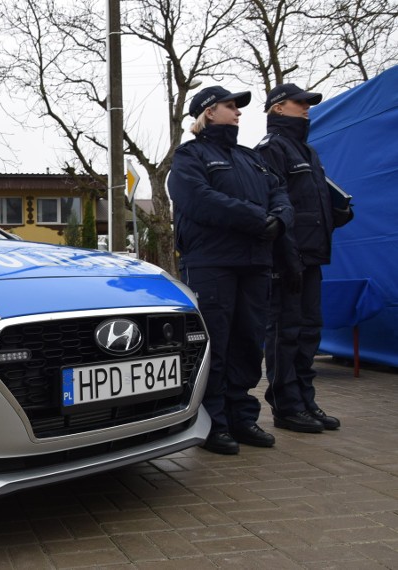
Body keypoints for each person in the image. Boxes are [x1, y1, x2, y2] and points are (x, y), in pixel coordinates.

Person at [168, 86, 293, 455]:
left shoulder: (251, 158)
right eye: (229, 106)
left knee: (247, 343)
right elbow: (199, 199)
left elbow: (280, 193)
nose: (237, 111)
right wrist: (258, 219)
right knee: (216, 346)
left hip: (255, 263)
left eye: (237, 107)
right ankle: (213, 423)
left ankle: (242, 417)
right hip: (211, 265)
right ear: (208, 112)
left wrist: (280, 221)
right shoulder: (189, 156)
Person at [256, 83, 354, 433]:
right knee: (286, 331)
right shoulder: (271, 150)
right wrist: (287, 256)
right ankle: (286, 406)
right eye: (300, 103)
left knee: (309, 330)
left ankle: (305, 400)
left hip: (312, 257)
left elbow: (313, 202)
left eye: (308, 103)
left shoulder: (307, 151)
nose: (307, 108)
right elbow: (274, 208)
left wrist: (338, 211)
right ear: (278, 109)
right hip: (287, 259)